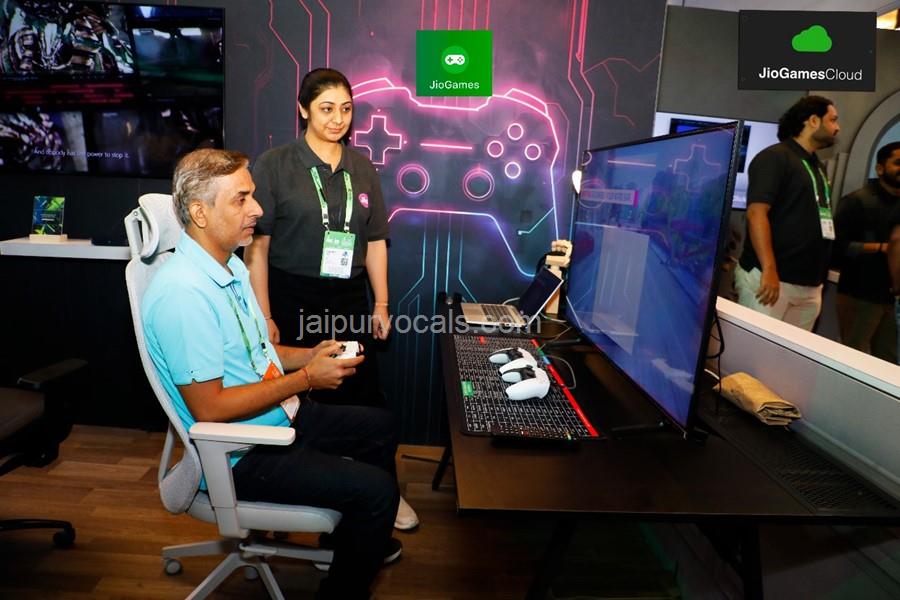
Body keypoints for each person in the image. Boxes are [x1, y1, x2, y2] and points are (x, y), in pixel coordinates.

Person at [141, 148, 401, 600]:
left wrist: (309, 355)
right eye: (241, 199)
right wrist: (307, 379)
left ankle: (351, 541)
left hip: (276, 417)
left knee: (382, 427)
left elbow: (256, 353)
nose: (258, 210)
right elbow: (210, 408)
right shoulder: (184, 294)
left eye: (253, 196)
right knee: (377, 492)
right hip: (242, 453)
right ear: (200, 213)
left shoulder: (228, 265)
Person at [244, 68, 419, 531]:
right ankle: (292, 488)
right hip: (291, 296)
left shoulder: (362, 167)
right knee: (296, 398)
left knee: (365, 398)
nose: (337, 119)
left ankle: (384, 490)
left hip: (348, 298)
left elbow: (376, 241)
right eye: (326, 108)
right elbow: (257, 247)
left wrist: (381, 304)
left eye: (345, 109)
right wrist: (264, 315)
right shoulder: (275, 164)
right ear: (303, 109)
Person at [735, 95, 840, 331]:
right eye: (833, 120)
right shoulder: (775, 157)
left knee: (788, 354)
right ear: (813, 120)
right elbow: (756, 213)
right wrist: (769, 269)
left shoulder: (817, 165)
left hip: (810, 286)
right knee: (755, 348)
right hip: (772, 280)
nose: (838, 127)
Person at [833, 142, 900, 362]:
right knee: (853, 359)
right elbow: (836, 248)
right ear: (880, 168)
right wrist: (882, 248)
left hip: (893, 299)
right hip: (859, 295)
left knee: (888, 363)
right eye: (898, 163)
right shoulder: (857, 201)